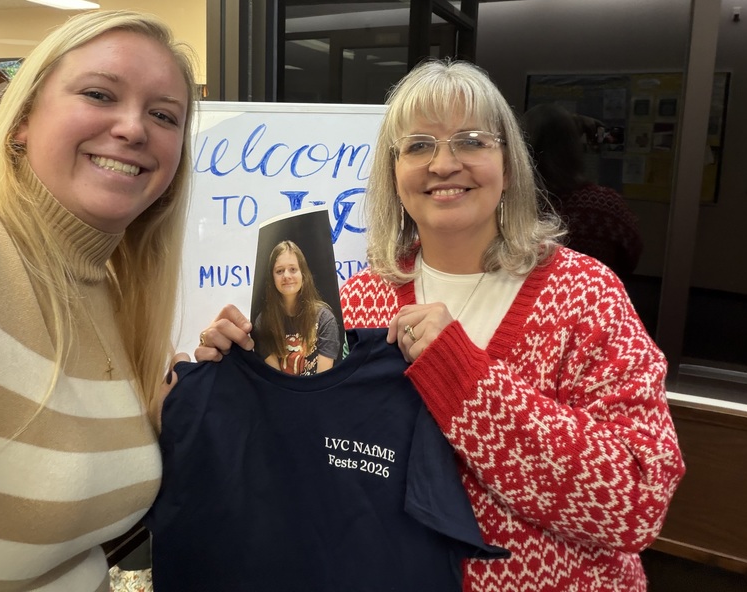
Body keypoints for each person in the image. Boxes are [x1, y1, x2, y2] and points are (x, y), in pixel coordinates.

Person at [0, 9, 199, 592]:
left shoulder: (122, 298)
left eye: (163, 115)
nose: (133, 128)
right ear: (21, 118)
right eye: (100, 94)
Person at [337, 59, 685, 591]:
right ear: (393, 171)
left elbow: (637, 500)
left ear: (508, 163)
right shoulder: (358, 297)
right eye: (419, 145)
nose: (444, 164)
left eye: (471, 141)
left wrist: (463, 378)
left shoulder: (583, 294)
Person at [521, 102, 643, 279]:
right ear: (575, 147)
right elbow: (631, 254)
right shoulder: (604, 205)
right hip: (592, 298)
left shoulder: (507, 203)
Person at [253, 239, 340, 375]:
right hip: (282, 394)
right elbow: (277, 381)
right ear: (272, 277)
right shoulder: (263, 322)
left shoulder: (325, 318)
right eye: (280, 271)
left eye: (293, 269)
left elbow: (323, 379)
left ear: (303, 275)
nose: (286, 276)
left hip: (317, 393)